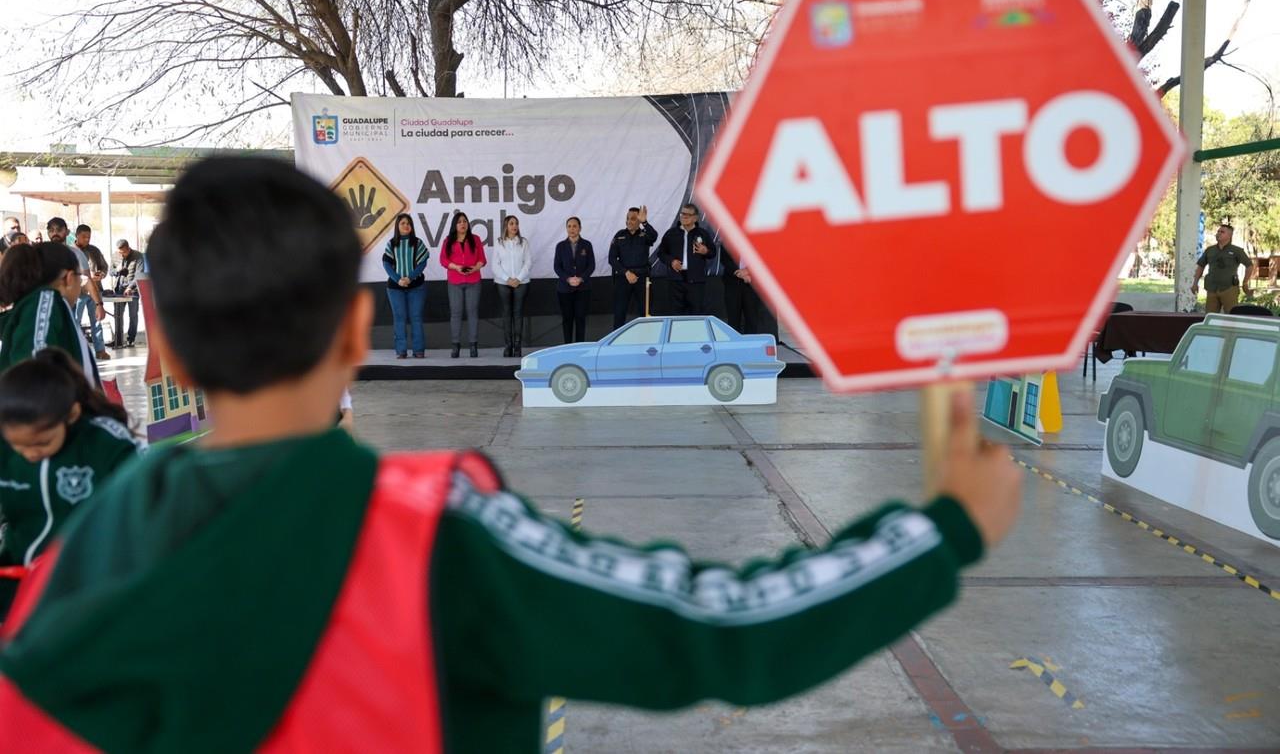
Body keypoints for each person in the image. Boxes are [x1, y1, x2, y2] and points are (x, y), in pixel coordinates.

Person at [0, 157, 1022, 753]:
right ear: (357, 336)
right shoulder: (436, 532)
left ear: (165, 347)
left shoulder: (64, 576)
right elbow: (723, 628)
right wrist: (941, 527)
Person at [0, 349, 143, 619]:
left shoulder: (105, 444)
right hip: (19, 582)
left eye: (42, 442)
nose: (30, 453)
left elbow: (140, 508)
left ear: (72, 415)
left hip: (88, 585)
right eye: (18, 446)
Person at [0, 243, 99, 386]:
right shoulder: (45, 300)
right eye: (80, 277)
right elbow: (34, 366)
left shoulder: (44, 304)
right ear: (69, 278)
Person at [45, 218, 108, 362]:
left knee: (72, 333)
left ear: (66, 232)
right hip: (45, 306)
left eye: (59, 230)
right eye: (51, 230)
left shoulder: (75, 254)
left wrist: (99, 304)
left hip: (69, 304)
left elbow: (86, 280)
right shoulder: (40, 252)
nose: (55, 233)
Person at [382, 213, 429, 360]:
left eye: (408, 223)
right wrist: (398, 279)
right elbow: (386, 264)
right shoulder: (391, 243)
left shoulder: (418, 243)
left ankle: (419, 350)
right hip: (395, 288)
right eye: (402, 223)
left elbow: (423, 263)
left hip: (416, 286)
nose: (406, 225)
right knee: (399, 318)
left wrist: (410, 278)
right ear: (397, 226)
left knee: (416, 317)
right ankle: (401, 351)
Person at [440, 211, 486, 358]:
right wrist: (457, 267)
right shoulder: (448, 240)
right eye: (459, 221)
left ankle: (473, 345)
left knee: (472, 312)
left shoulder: (476, 239)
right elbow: (443, 260)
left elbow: (482, 259)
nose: (462, 224)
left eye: (464, 221)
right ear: (455, 225)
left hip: (473, 280)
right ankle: (455, 345)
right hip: (455, 280)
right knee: (456, 313)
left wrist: (475, 268)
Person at [658, 203, 717, 315]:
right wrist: (671, 261)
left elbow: (713, 253)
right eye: (682, 214)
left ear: (695, 218)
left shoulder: (703, 234)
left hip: (696, 282)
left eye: (688, 215)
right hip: (676, 281)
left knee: (696, 314)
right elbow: (661, 253)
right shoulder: (671, 233)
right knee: (675, 314)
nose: (684, 217)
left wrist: (706, 251)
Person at [608, 205, 658, 329]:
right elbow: (612, 259)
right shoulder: (619, 235)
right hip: (623, 278)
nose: (629, 221)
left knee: (645, 312)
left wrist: (645, 222)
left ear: (639, 221)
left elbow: (654, 236)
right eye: (628, 218)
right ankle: (617, 344)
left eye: (633, 219)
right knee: (619, 313)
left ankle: (646, 341)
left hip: (642, 278)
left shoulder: (644, 235)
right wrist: (626, 273)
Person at [491, 215, 531, 357]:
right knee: (507, 314)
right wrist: (507, 279)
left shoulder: (523, 242)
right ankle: (508, 345)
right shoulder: (499, 242)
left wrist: (518, 279)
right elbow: (495, 264)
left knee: (518, 314)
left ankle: (518, 346)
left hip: (521, 283)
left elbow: (528, 263)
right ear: (506, 226)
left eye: (516, 223)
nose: (514, 226)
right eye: (511, 223)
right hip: (503, 283)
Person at [1193, 224, 1254, 314]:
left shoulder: (1237, 251)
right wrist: (1195, 283)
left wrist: (1245, 283)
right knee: (1210, 316)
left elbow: (1249, 266)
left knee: (1231, 316)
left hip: (1229, 288)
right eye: (1218, 231)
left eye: (1222, 232)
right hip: (1212, 289)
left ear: (1229, 236)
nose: (1218, 233)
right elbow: (1201, 266)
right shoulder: (1210, 250)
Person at [721, 244, 778, 337]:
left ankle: (750, 344)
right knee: (733, 317)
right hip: (732, 283)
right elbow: (724, 259)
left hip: (752, 283)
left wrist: (748, 271)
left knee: (751, 317)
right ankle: (734, 345)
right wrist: (739, 273)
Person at [73, 225, 111, 361]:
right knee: (74, 322)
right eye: (84, 237)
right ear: (76, 235)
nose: (87, 239)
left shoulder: (94, 250)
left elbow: (104, 266)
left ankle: (100, 350)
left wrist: (101, 274)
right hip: (79, 292)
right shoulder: (70, 251)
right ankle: (75, 352)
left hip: (95, 291)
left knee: (97, 321)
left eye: (89, 237)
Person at [554, 215, 595, 343]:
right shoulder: (560, 246)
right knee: (567, 319)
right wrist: (568, 279)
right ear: (566, 228)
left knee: (580, 318)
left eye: (575, 226)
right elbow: (557, 267)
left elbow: (591, 265)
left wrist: (581, 279)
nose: (572, 229)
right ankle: (567, 347)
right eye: (569, 226)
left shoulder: (587, 245)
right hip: (564, 289)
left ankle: (579, 347)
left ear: (580, 228)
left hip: (583, 288)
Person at [109, 239, 143, 349]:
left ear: (128, 248)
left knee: (133, 315)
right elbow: (110, 272)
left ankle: (130, 339)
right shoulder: (115, 256)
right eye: (120, 252)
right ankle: (118, 339)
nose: (121, 254)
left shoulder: (138, 256)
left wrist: (130, 287)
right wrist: (117, 271)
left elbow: (139, 274)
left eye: (123, 252)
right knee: (118, 315)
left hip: (133, 291)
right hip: (118, 290)